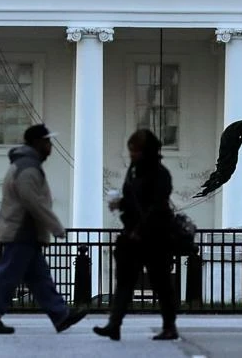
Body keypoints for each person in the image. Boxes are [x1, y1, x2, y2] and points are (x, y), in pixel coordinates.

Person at [0, 124, 87, 335]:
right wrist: (55, 226)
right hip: (22, 231)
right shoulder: (28, 168)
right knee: (8, 277)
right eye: (47, 141)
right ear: (38, 143)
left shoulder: (25, 165)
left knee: (39, 278)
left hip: (25, 231)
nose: (50, 146)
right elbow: (33, 202)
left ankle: (60, 315)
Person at [93, 129, 179, 341]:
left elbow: (157, 206)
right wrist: (120, 205)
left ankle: (169, 326)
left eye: (136, 150)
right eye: (131, 150)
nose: (132, 154)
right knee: (124, 281)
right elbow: (132, 200)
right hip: (132, 235)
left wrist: (139, 229)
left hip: (155, 236)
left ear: (147, 151)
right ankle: (114, 324)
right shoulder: (133, 172)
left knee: (161, 283)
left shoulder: (159, 173)